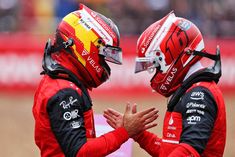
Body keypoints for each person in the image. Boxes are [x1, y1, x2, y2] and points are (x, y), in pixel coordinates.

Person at [32, 4, 159, 157]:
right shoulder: (64, 92)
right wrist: (125, 132)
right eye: (103, 55)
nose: (105, 62)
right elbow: (80, 152)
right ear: (85, 45)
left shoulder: (61, 81)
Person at [104, 12, 226, 157]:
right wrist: (138, 134)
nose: (153, 72)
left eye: (155, 65)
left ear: (172, 53)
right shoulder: (191, 91)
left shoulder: (199, 94)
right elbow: (169, 151)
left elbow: (189, 151)